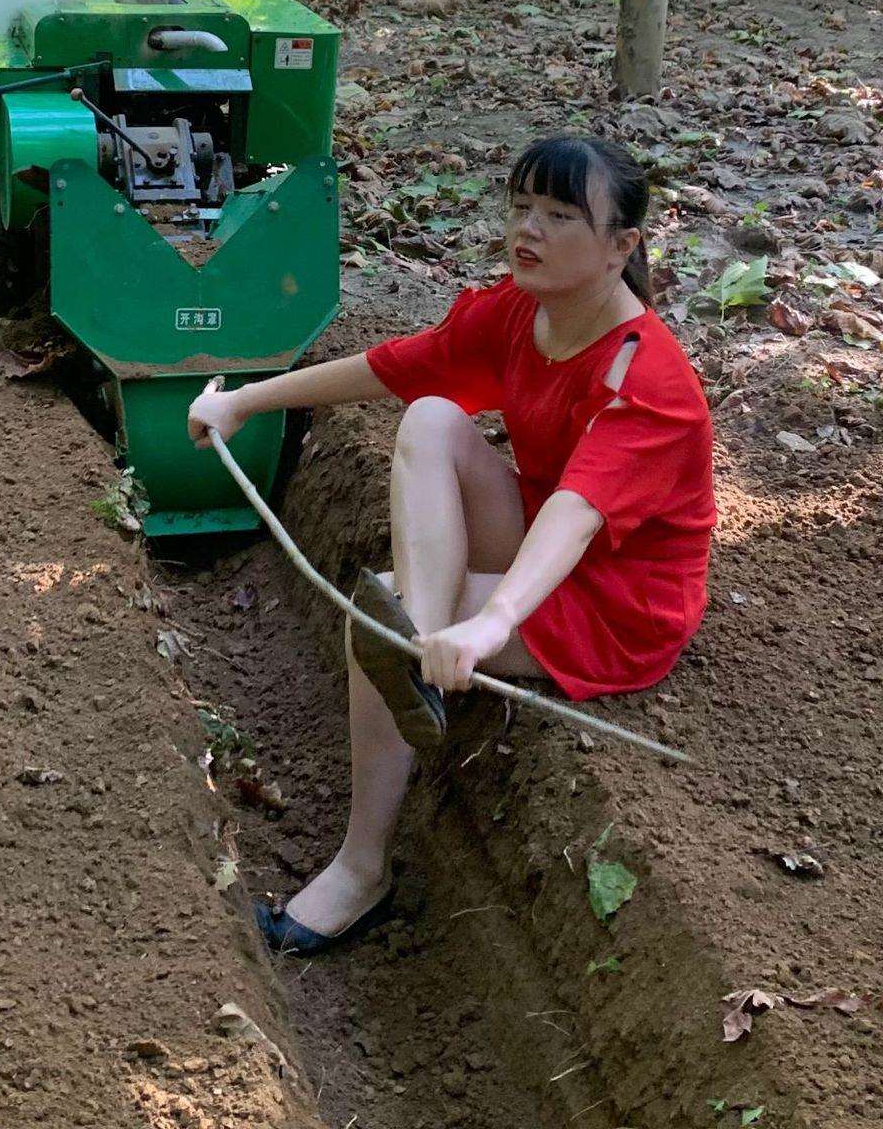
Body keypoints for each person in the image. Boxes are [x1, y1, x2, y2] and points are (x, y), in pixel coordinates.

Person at [187, 135, 714, 956]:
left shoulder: (646, 381)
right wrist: (247, 402)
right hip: (539, 539)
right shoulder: (522, 311)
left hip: (614, 602)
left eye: (561, 215)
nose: (528, 230)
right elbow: (405, 366)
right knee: (431, 416)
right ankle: (417, 646)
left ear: (622, 247)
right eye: (521, 207)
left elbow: (577, 515)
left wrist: (490, 624)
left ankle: (363, 869)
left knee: (380, 629)